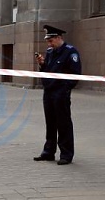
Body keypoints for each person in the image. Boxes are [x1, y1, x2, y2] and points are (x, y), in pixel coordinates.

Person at [34, 25, 82, 165]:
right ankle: (48, 152)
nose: (49, 44)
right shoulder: (50, 52)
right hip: (48, 91)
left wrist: (65, 89)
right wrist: (42, 64)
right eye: (48, 41)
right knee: (50, 122)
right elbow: (48, 69)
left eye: (51, 41)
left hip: (60, 93)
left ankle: (66, 154)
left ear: (59, 38)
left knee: (63, 123)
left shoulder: (70, 52)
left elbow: (75, 74)